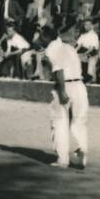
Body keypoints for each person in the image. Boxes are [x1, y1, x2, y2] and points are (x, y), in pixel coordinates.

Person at [39, 25, 89, 169]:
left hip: (65, 86)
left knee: (59, 122)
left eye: (42, 36)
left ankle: (63, 159)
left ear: (47, 37)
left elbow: (59, 71)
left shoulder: (51, 49)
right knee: (79, 121)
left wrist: (62, 92)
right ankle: (82, 151)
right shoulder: (69, 48)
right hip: (80, 85)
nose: (40, 39)